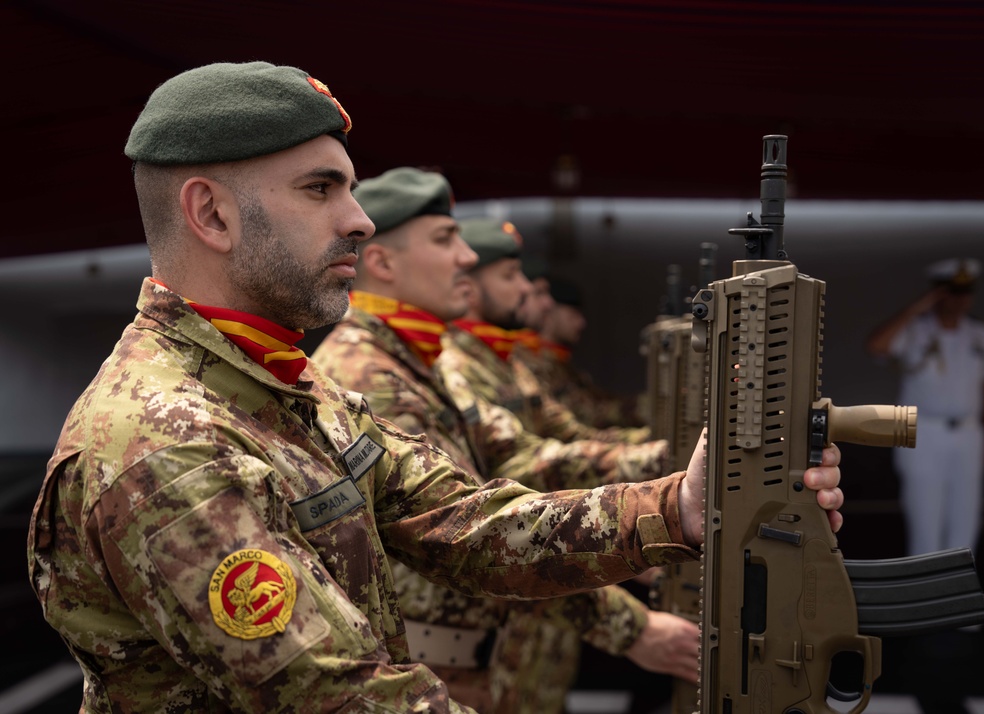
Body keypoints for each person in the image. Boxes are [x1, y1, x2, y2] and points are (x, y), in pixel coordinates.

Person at [26, 61, 845, 712]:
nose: (359, 219)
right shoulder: (165, 443)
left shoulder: (286, 390)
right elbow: (340, 695)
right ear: (210, 215)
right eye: (320, 188)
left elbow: (464, 523)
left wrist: (679, 508)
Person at [311, 167, 698, 713]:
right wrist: (632, 618)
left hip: (475, 656)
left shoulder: (427, 365)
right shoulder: (369, 377)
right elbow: (470, 529)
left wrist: (667, 468)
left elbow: (524, 456)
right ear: (383, 262)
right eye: (446, 240)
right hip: (432, 670)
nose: (467, 258)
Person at [438, 218, 646, 446]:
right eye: (510, 275)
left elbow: (570, 433)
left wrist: (654, 448)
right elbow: (518, 458)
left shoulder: (508, 361)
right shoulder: (453, 364)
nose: (525, 287)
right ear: (469, 287)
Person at [866, 258, 984, 556]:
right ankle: (925, 598)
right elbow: (876, 346)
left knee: (965, 525)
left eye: (966, 291)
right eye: (952, 291)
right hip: (924, 432)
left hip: (968, 433)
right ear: (937, 292)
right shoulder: (914, 329)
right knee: (925, 522)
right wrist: (917, 308)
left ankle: (959, 599)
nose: (960, 299)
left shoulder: (979, 333)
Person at [512, 275, 646, 431]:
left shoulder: (555, 363)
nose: (581, 323)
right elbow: (588, 416)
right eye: (573, 314)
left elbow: (597, 402)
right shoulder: (526, 360)